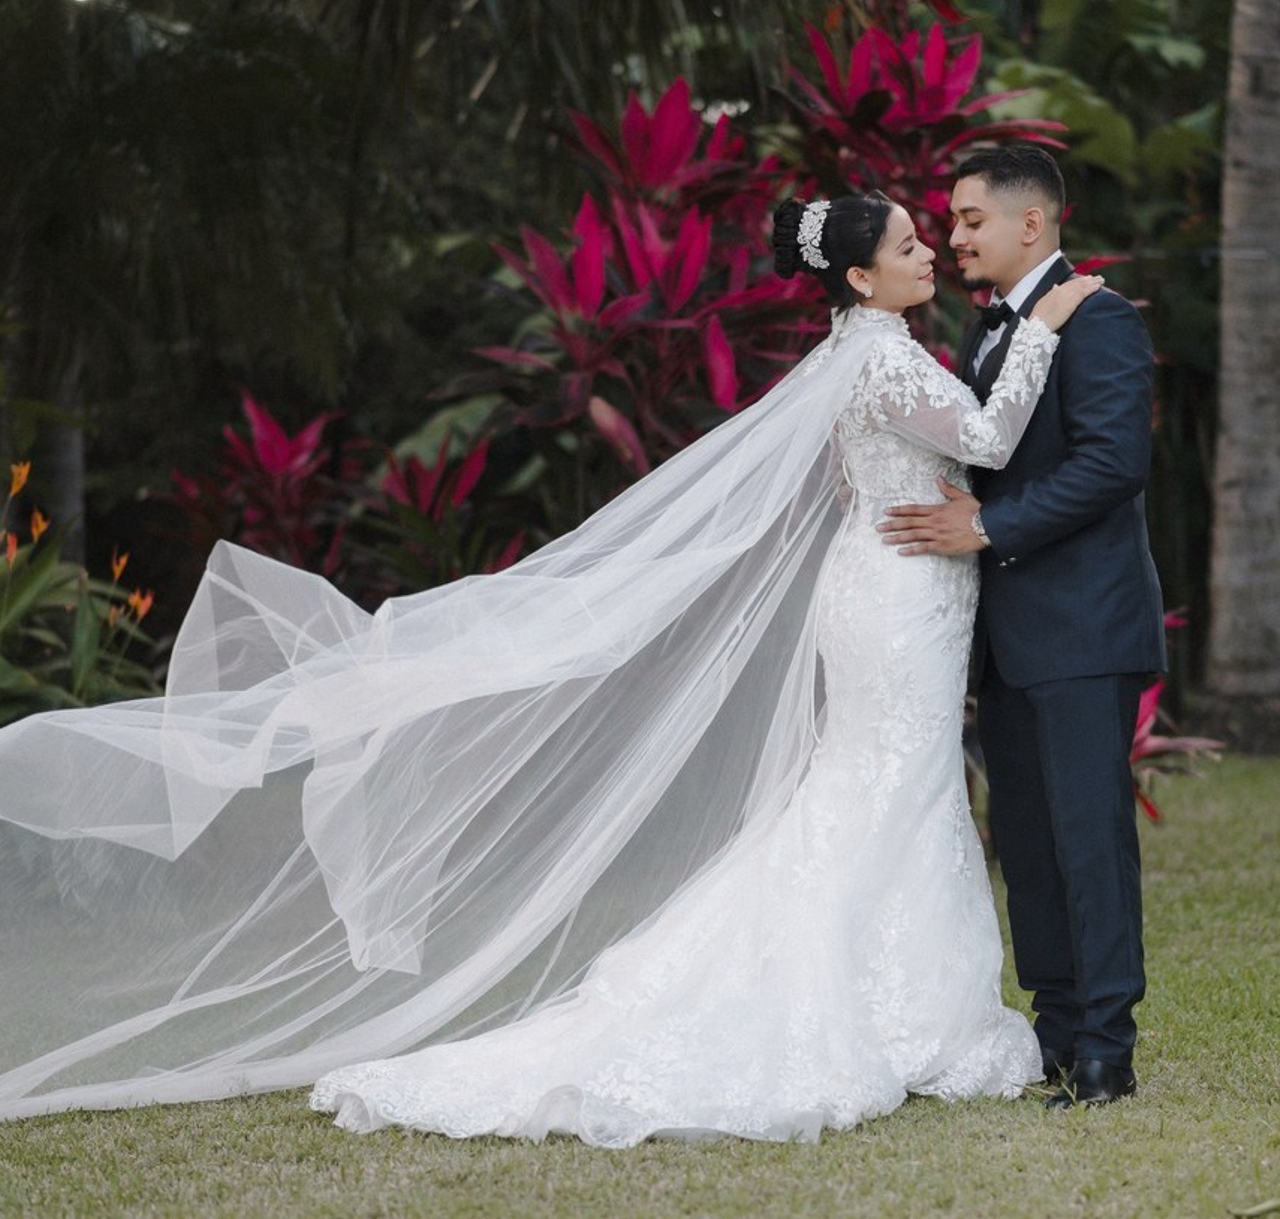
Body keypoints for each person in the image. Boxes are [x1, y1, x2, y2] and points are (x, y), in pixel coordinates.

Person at [0, 192, 1099, 1143]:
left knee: (881, 785)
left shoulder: (869, 354)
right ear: (858, 276)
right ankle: (883, 1011)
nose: (924, 254)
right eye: (906, 244)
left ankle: (906, 1004)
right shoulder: (877, 358)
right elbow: (993, 441)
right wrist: (1048, 321)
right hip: (895, 593)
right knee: (880, 781)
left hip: (897, 584)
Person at [877, 145, 1166, 1109]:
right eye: (949, 223)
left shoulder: (1102, 319)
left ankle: (1105, 1050)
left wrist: (988, 524)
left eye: (968, 220)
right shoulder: (988, 331)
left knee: (1088, 838)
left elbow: (1113, 463)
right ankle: (1053, 1030)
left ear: (1030, 224)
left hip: (1083, 627)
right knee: (1031, 844)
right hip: (1005, 635)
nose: (953, 236)